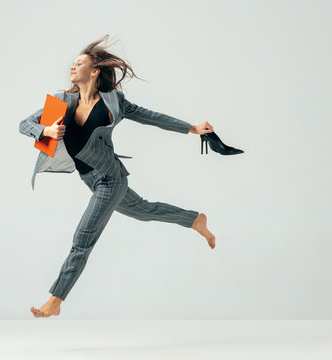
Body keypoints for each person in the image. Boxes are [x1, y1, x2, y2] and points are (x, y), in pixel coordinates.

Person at [21, 35, 216, 318]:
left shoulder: (114, 102)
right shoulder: (62, 102)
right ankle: (195, 220)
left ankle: (56, 299)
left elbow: (151, 116)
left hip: (111, 179)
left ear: (95, 71)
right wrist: (45, 131)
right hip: (90, 179)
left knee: (83, 237)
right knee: (145, 210)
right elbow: (24, 123)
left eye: (79, 63)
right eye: (72, 64)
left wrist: (192, 128)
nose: (72, 67)